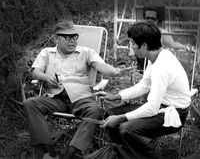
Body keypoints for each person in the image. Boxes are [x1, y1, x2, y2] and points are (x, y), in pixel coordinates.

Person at [23, 20, 133, 159]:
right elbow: (35, 72)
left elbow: (101, 65)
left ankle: (69, 154)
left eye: (74, 37)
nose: (72, 41)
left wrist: (115, 71)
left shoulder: (86, 52)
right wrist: (46, 77)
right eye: (67, 38)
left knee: (95, 110)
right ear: (57, 38)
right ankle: (47, 151)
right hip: (56, 98)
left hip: (81, 98)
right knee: (30, 103)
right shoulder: (47, 53)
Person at [96, 21, 191, 158]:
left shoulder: (161, 67)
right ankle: (127, 153)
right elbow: (143, 86)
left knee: (125, 128)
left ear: (145, 45)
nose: (131, 47)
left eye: (133, 44)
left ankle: (148, 154)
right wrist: (116, 96)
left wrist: (121, 117)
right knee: (110, 115)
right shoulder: (156, 57)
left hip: (174, 114)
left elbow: (152, 107)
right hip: (161, 107)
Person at [136, 6, 188, 73]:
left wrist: (185, 47)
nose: (150, 20)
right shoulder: (138, 33)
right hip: (142, 68)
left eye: (153, 18)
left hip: (158, 67)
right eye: (147, 18)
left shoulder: (163, 33)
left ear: (157, 20)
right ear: (144, 19)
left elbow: (172, 44)